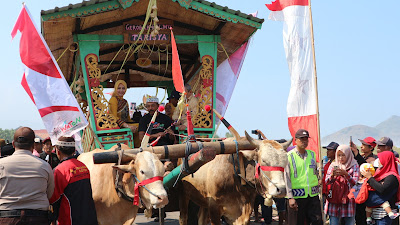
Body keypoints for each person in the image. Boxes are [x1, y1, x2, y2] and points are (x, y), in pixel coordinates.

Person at [0, 127, 54, 225]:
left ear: (13, 144)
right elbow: (49, 194)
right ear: (33, 145)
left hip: (6, 217)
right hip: (38, 217)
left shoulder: (1, 164)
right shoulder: (44, 166)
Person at [50, 136, 98, 225]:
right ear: (73, 150)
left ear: (58, 151)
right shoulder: (83, 167)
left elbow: (54, 199)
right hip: (89, 217)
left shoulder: (59, 171)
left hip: (70, 220)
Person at [284, 129, 323, 225]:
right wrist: (290, 197)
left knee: (317, 221)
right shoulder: (289, 156)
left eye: (306, 139)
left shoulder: (312, 154)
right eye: (302, 139)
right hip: (296, 197)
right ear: (296, 140)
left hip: (313, 196)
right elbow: (286, 177)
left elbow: (314, 172)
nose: (304, 142)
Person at [361, 151, 400, 225]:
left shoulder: (391, 176)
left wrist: (370, 178)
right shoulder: (380, 173)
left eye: (380, 159)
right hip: (376, 213)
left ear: (386, 160)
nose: (378, 161)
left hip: (385, 215)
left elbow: (382, 189)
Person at [324, 145, 359, 225]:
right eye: (339, 155)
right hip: (334, 199)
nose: (341, 158)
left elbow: (355, 183)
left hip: (348, 200)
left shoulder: (354, 165)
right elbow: (327, 182)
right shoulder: (333, 165)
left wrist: (346, 174)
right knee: (333, 222)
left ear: (348, 154)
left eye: (343, 155)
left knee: (349, 222)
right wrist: (332, 175)